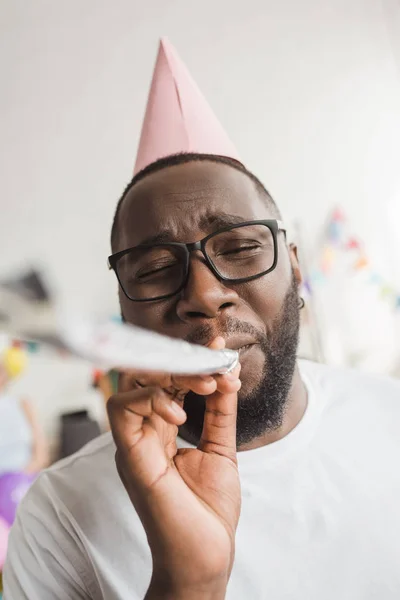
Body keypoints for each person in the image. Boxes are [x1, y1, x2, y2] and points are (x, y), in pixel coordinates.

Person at [4, 38, 400, 600]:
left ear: (296, 271)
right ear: (123, 312)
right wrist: (188, 582)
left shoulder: (392, 419)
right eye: (158, 267)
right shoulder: (60, 516)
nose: (206, 295)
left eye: (240, 248)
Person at [0, 346, 49, 476]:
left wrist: (15, 481)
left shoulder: (23, 405)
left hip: (21, 485)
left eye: (1, 369)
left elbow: (41, 455)